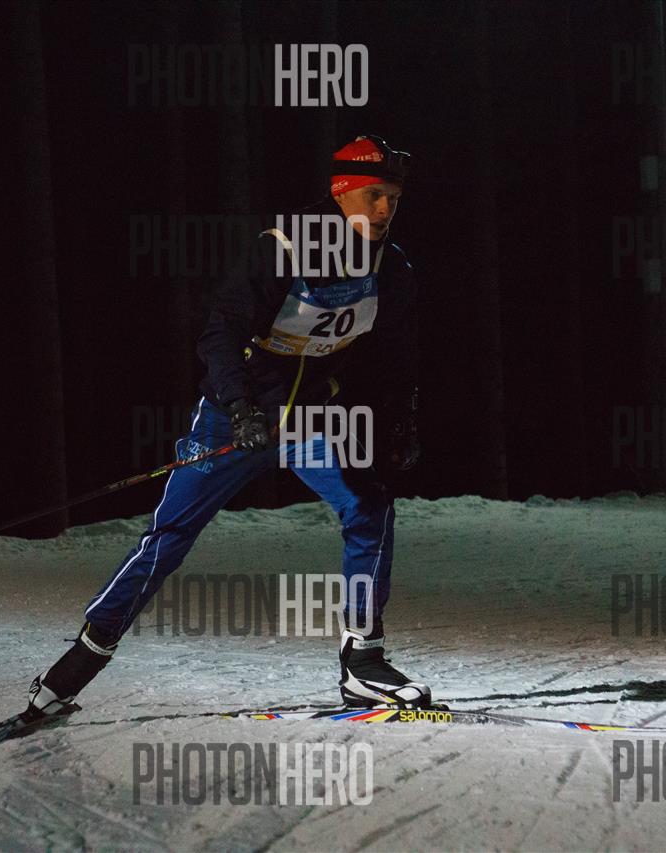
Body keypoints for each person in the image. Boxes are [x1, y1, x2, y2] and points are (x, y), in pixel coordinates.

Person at [22, 135, 425, 722]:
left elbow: (395, 353)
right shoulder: (285, 249)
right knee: (169, 537)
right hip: (235, 420)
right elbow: (218, 334)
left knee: (370, 507)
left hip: (311, 419)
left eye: (393, 197)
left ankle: (363, 661)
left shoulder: (392, 267)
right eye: (373, 196)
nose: (385, 209)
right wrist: (239, 407)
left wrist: (401, 416)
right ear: (341, 193)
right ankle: (78, 664)